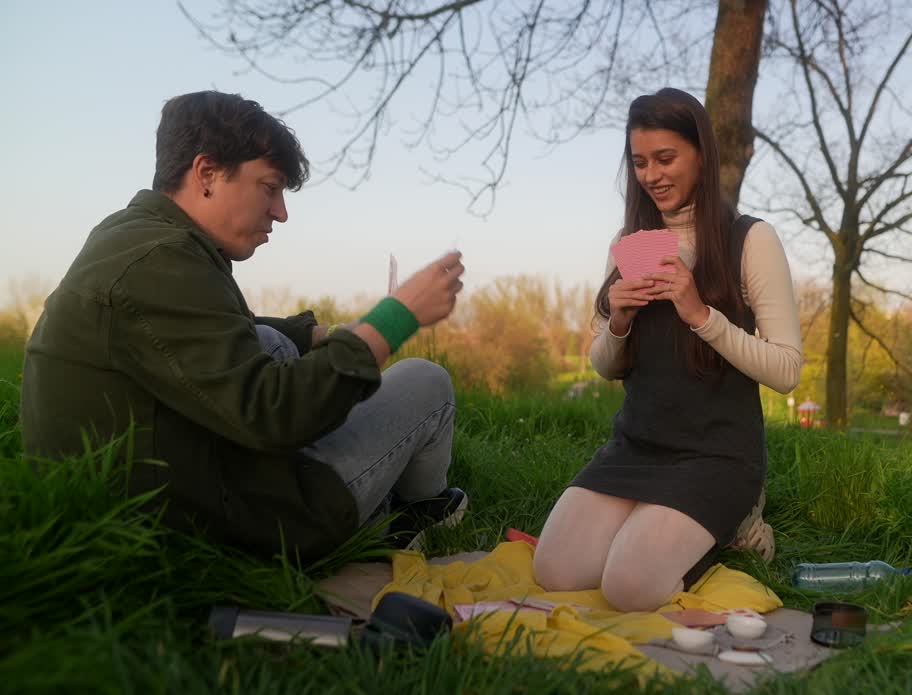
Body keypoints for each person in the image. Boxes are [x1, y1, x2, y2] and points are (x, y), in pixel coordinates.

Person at [21, 90, 468, 562]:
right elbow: (275, 413)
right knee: (425, 382)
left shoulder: (134, 237)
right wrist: (396, 318)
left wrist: (318, 335)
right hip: (215, 530)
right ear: (208, 174)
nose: (281, 211)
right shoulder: (164, 260)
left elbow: (210, 330)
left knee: (271, 340)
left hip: (152, 492)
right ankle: (410, 514)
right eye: (269, 187)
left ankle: (374, 490)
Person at [532, 88, 803, 612]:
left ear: (700, 154)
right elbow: (604, 365)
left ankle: (738, 524)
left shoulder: (750, 240)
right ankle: (655, 525)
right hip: (637, 446)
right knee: (555, 572)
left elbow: (787, 370)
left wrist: (700, 314)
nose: (651, 175)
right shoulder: (630, 240)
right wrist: (619, 319)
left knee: (630, 589)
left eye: (665, 158)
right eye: (639, 162)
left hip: (716, 454)